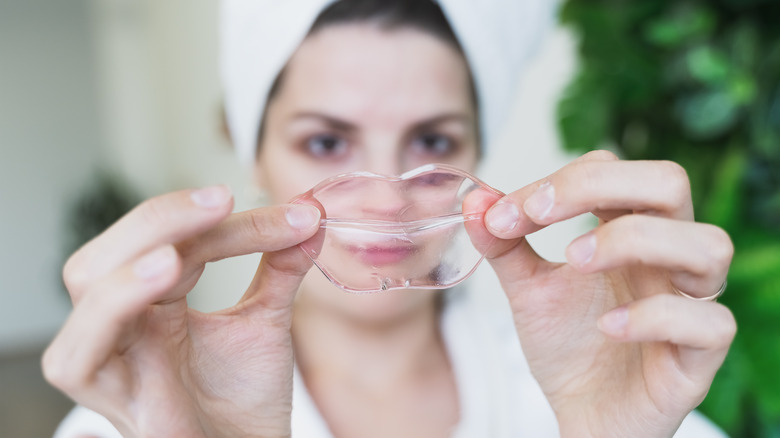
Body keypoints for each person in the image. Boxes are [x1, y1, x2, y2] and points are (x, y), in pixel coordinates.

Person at [45, 1, 736, 437]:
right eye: (325, 142)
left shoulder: (627, 394)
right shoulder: (132, 420)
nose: (385, 202)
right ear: (251, 149)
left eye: (434, 142)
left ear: (477, 147)